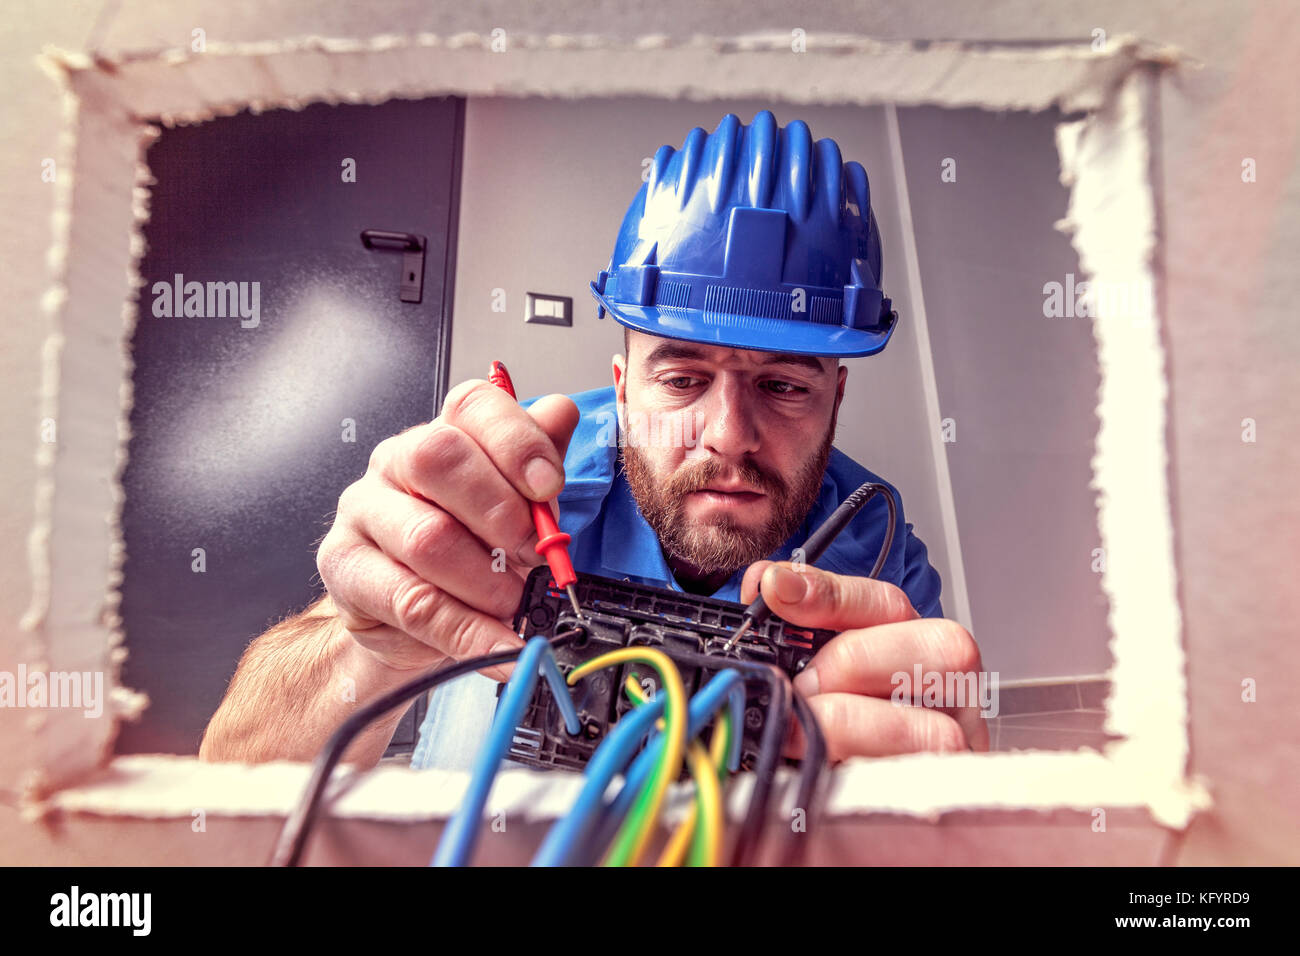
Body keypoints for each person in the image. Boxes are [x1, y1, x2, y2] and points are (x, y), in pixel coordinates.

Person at [199, 110, 988, 769]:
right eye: (681, 380)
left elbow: (938, 751)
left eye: (784, 387)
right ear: (620, 387)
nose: (729, 436)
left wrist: (946, 797)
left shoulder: (876, 554)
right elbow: (230, 778)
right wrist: (368, 650)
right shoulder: (508, 494)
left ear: (836, 397)